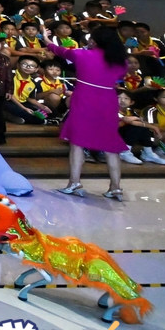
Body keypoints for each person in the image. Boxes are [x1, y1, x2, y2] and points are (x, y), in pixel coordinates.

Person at [51, 24, 131, 201]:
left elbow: (60, 51)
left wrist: (48, 41)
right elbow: (118, 78)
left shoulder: (82, 54)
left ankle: (74, 183)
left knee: (77, 142)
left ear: (95, 41)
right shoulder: (121, 62)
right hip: (108, 100)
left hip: (85, 98)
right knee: (110, 145)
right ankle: (116, 188)